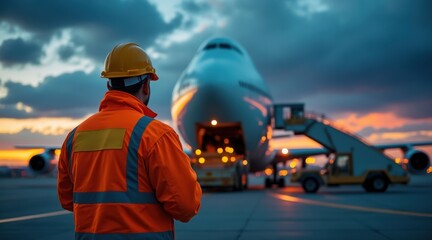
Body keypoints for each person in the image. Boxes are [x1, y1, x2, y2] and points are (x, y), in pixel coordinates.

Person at [57, 43, 202, 240]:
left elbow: (67, 200)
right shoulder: (155, 135)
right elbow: (185, 206)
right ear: (146, 85)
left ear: (109, 84)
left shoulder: (75, 137)